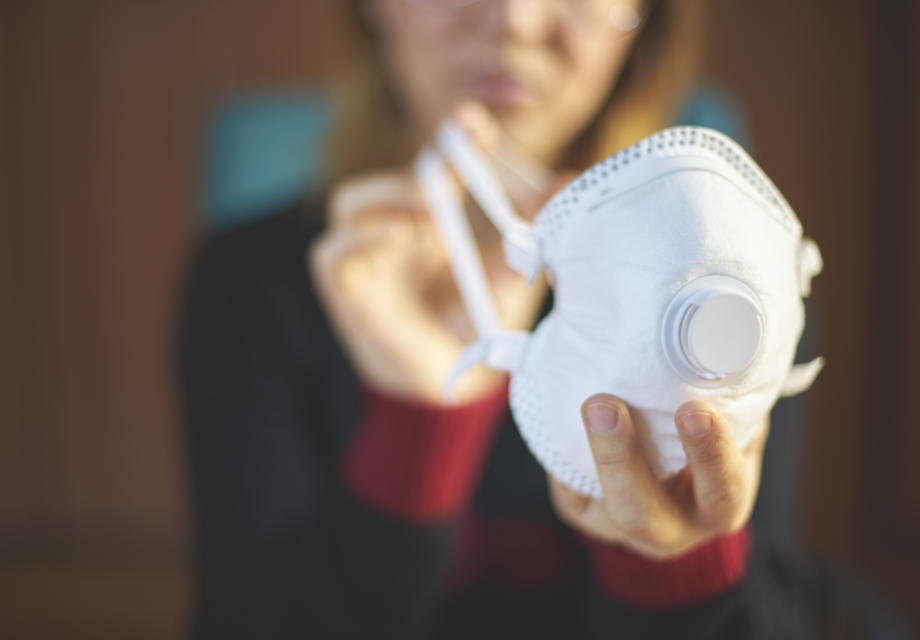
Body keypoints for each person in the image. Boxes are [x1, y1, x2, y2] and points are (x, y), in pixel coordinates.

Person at [178, 1, 828, 637]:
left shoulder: (742, 288)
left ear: (645, 19)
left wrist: (678, 561)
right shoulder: (249, 288)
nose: (516, 18)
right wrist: (417, 423)